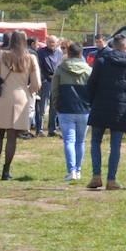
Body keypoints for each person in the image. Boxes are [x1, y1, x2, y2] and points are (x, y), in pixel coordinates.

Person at [85, 33, 126, 191]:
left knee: (96, 142)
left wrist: (92, 102)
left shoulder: (101, 61)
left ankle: (96, 176)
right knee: (116, 146)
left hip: (100, 106)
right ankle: (111, 180)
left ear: (113, 45)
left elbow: (91, 84)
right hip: (121, 110)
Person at [0, 30, 40, 181]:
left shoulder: (2, 55)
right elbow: (37, 84)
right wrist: (27, 91)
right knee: (12, 136)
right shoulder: (31, 58)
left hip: (1, 97)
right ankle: (6, 171)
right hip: (21, 98)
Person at [49, 40, 92, 181]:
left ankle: (71, 171)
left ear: (68, 53)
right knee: (81, 142)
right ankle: (78, 171)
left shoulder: (60, 69)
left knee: (69, 141)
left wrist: (56, 105)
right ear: (81, 54)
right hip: (84, 109)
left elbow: (54, 90)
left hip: (65, 108)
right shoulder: (88, 70)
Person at [35, 36, 62, 136]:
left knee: (54, 107)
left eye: (53, 42)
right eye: (49, 42)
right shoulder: (41, 53)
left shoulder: (59, 53)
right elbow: (38, 68)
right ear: (46, 42)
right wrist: (43, 80)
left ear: (57, 43)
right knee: (42, 107)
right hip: (46, 82)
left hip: (56, 82)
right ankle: (40, 129)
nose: (51, 44)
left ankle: (52, 129)